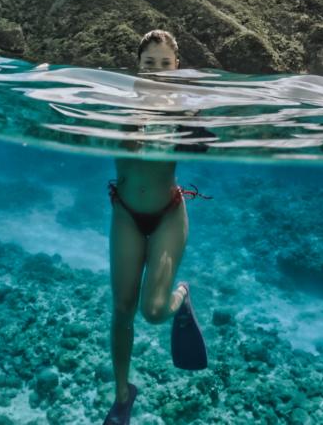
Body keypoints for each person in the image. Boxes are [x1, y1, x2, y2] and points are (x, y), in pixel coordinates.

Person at [102, 30, 210, 425]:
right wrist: (134, 120)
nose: (158, 72)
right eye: (150, 64)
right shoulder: (122, 106)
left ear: (177, 68)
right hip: (126, 214)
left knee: (152, 311)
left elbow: (205, 146)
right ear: (138, 68)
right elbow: (115, 143)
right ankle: (121, 396)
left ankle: (181, 296)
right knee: (122, 309)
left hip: (168, 214)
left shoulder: (184, 111)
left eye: (166, 64)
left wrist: (186, 118)